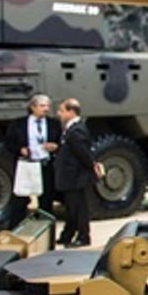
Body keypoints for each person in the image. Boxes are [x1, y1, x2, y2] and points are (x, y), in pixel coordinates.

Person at [3, 94, 61, 226]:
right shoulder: (18, 124)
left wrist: (55, 147)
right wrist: (20, 149)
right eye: (42, 106)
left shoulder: (54, 124)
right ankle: (16, 227)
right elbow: (8, 144)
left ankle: (45, 228)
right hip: (26, 165)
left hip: (45, 164)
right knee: (20, 199)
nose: (46, 109)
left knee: (46, 199)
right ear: (33, 107)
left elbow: (61, 143)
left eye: (47, 106)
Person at [55, 98, 103, 247]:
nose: (58, 114)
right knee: (71, 208)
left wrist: (92, 165)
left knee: (79, 209)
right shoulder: (71, 129)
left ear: (71, 112)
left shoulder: (77, 130)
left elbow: (84, 154)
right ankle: (68, 234)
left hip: (77, 177)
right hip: (70, 177)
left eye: (62, 111)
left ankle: (83, 236)